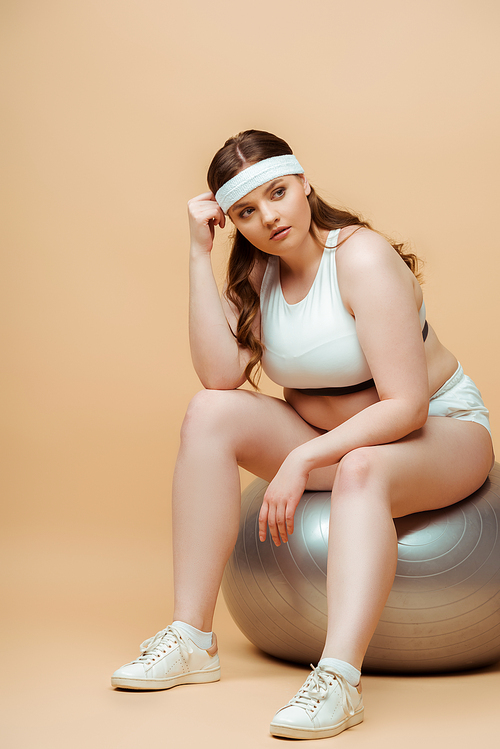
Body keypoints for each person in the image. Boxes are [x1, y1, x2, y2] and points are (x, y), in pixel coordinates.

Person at [111, 130, 494, 740]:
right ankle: (191, 638)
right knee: (209, 412)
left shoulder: (360, 258)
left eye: (278, 193)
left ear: (304, 183)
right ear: (232, 220)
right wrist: (195, 253)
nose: (269, 217)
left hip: (438, 435)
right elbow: (219, 375)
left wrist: (302, 460)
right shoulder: (259, 273)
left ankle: (339, 679)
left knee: (364, 468)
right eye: (246, 211)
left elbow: (407, 405)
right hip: (336, 444)